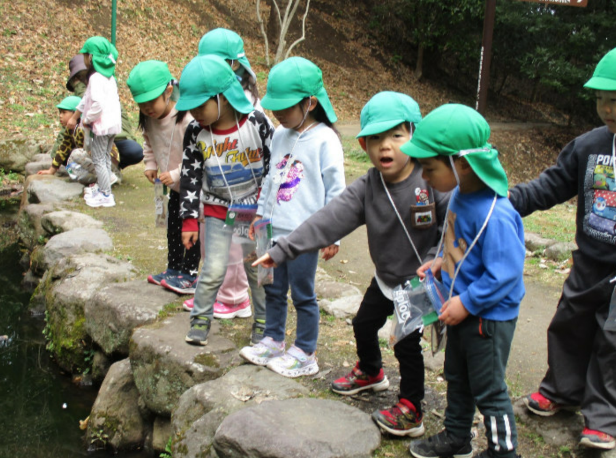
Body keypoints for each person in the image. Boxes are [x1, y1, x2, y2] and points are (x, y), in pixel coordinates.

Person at [247, 91, 448, 399]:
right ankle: (371, 371)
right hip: (386, 279)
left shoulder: (431, 178)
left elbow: (452, 224)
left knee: (406, 345)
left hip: (419, 283)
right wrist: (282, 250)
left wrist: (437, 256)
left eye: (396, 135)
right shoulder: (368, 186)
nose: (386, 145)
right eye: (376, 138)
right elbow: (327, 219)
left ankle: (411, 406)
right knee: (363, 324)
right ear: (364, 145)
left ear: (414, 135)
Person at [403, 104, 525, 458]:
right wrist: (440, 262)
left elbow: (505, 274)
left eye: (429, 167)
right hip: (459, 309)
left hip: (487, 317)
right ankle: (458, 436)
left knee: (488, 387)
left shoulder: (496, 214)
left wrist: (468, 302)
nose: (424, 176)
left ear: (462, 164)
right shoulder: (460, 194)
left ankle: (504, 457)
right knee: (457, 376)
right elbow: (458, 242)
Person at [509, 47, 616, 451]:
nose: (607, 108)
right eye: (601, 99)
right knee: (570, 321)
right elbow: (550, 185)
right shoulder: (589, 146)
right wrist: (505, 200)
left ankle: (603, 417)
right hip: (591, 258)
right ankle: (562, 391)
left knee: (612, 338)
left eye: (615, 100)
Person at [238, 57, 345, 377]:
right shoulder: (280, 135)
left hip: (304, 234)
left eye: (285, 107)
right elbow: (271, 179)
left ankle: (305, 351)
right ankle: (273, 339)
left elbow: (337, 192)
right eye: (275, 107)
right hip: (272, 231)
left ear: (310, 103)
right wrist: (260, 216)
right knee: (272, 288)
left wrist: (333, 234)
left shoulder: (326, 140)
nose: (278, 114)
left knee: (302, 293)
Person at [176, 54, 273, 346]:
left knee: (258, 267)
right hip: (217, 209)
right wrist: (189, 220)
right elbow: (190, 175)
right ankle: (200, 320)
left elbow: (274, 165)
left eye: (200, 105)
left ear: (224, 97)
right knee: (212, 268)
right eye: (190, 107)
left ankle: (264, 322)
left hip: (254, 212)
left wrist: (267, 207)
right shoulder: (195, 132)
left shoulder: (256, 122)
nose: (194, 113)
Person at [125, 60, 198, 289]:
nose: (147, 108)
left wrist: (176, 174)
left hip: (193, 188)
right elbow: (148, 142)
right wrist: (150, 164)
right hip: (173, 187)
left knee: (190, 228)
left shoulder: (186, 119)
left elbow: (198, 155)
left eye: (151, 102)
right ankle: (173, 267)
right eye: (142, 104)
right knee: (172, 227)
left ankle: (190, 273)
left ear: (168, 91)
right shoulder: (149, 119)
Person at [53, 53, 143, 172]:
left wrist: (55, 157)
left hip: (110, 141)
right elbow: (69, 128)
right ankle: (107, 169)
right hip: (106, 141)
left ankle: (108, 169)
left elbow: (70, 127)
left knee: (130, 151)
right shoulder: (103, 90)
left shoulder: (97, 92)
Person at [67, 37, 122, 208]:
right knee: (104, 158)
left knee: (98, 160)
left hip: (102, 126)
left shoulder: (96, 78)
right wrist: (77, 115)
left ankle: (105, 194)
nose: (83, 59)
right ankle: (105, 189)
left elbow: (97, 104)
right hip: (113, 125)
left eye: (85, 55)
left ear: (91, 57)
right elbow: (86, 99)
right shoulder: (109, 77)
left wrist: (87, 119)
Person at [38, 95, 119, 176]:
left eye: (64, 112)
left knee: (76, 154)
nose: (60, 116)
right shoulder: (70, 129)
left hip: (108, 159)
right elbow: (63, 149)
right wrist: (51, 171)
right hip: (93, 160)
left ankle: (108, 175)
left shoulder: (84, 127)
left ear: (75, 113)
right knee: (71, 167)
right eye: (60, 112)